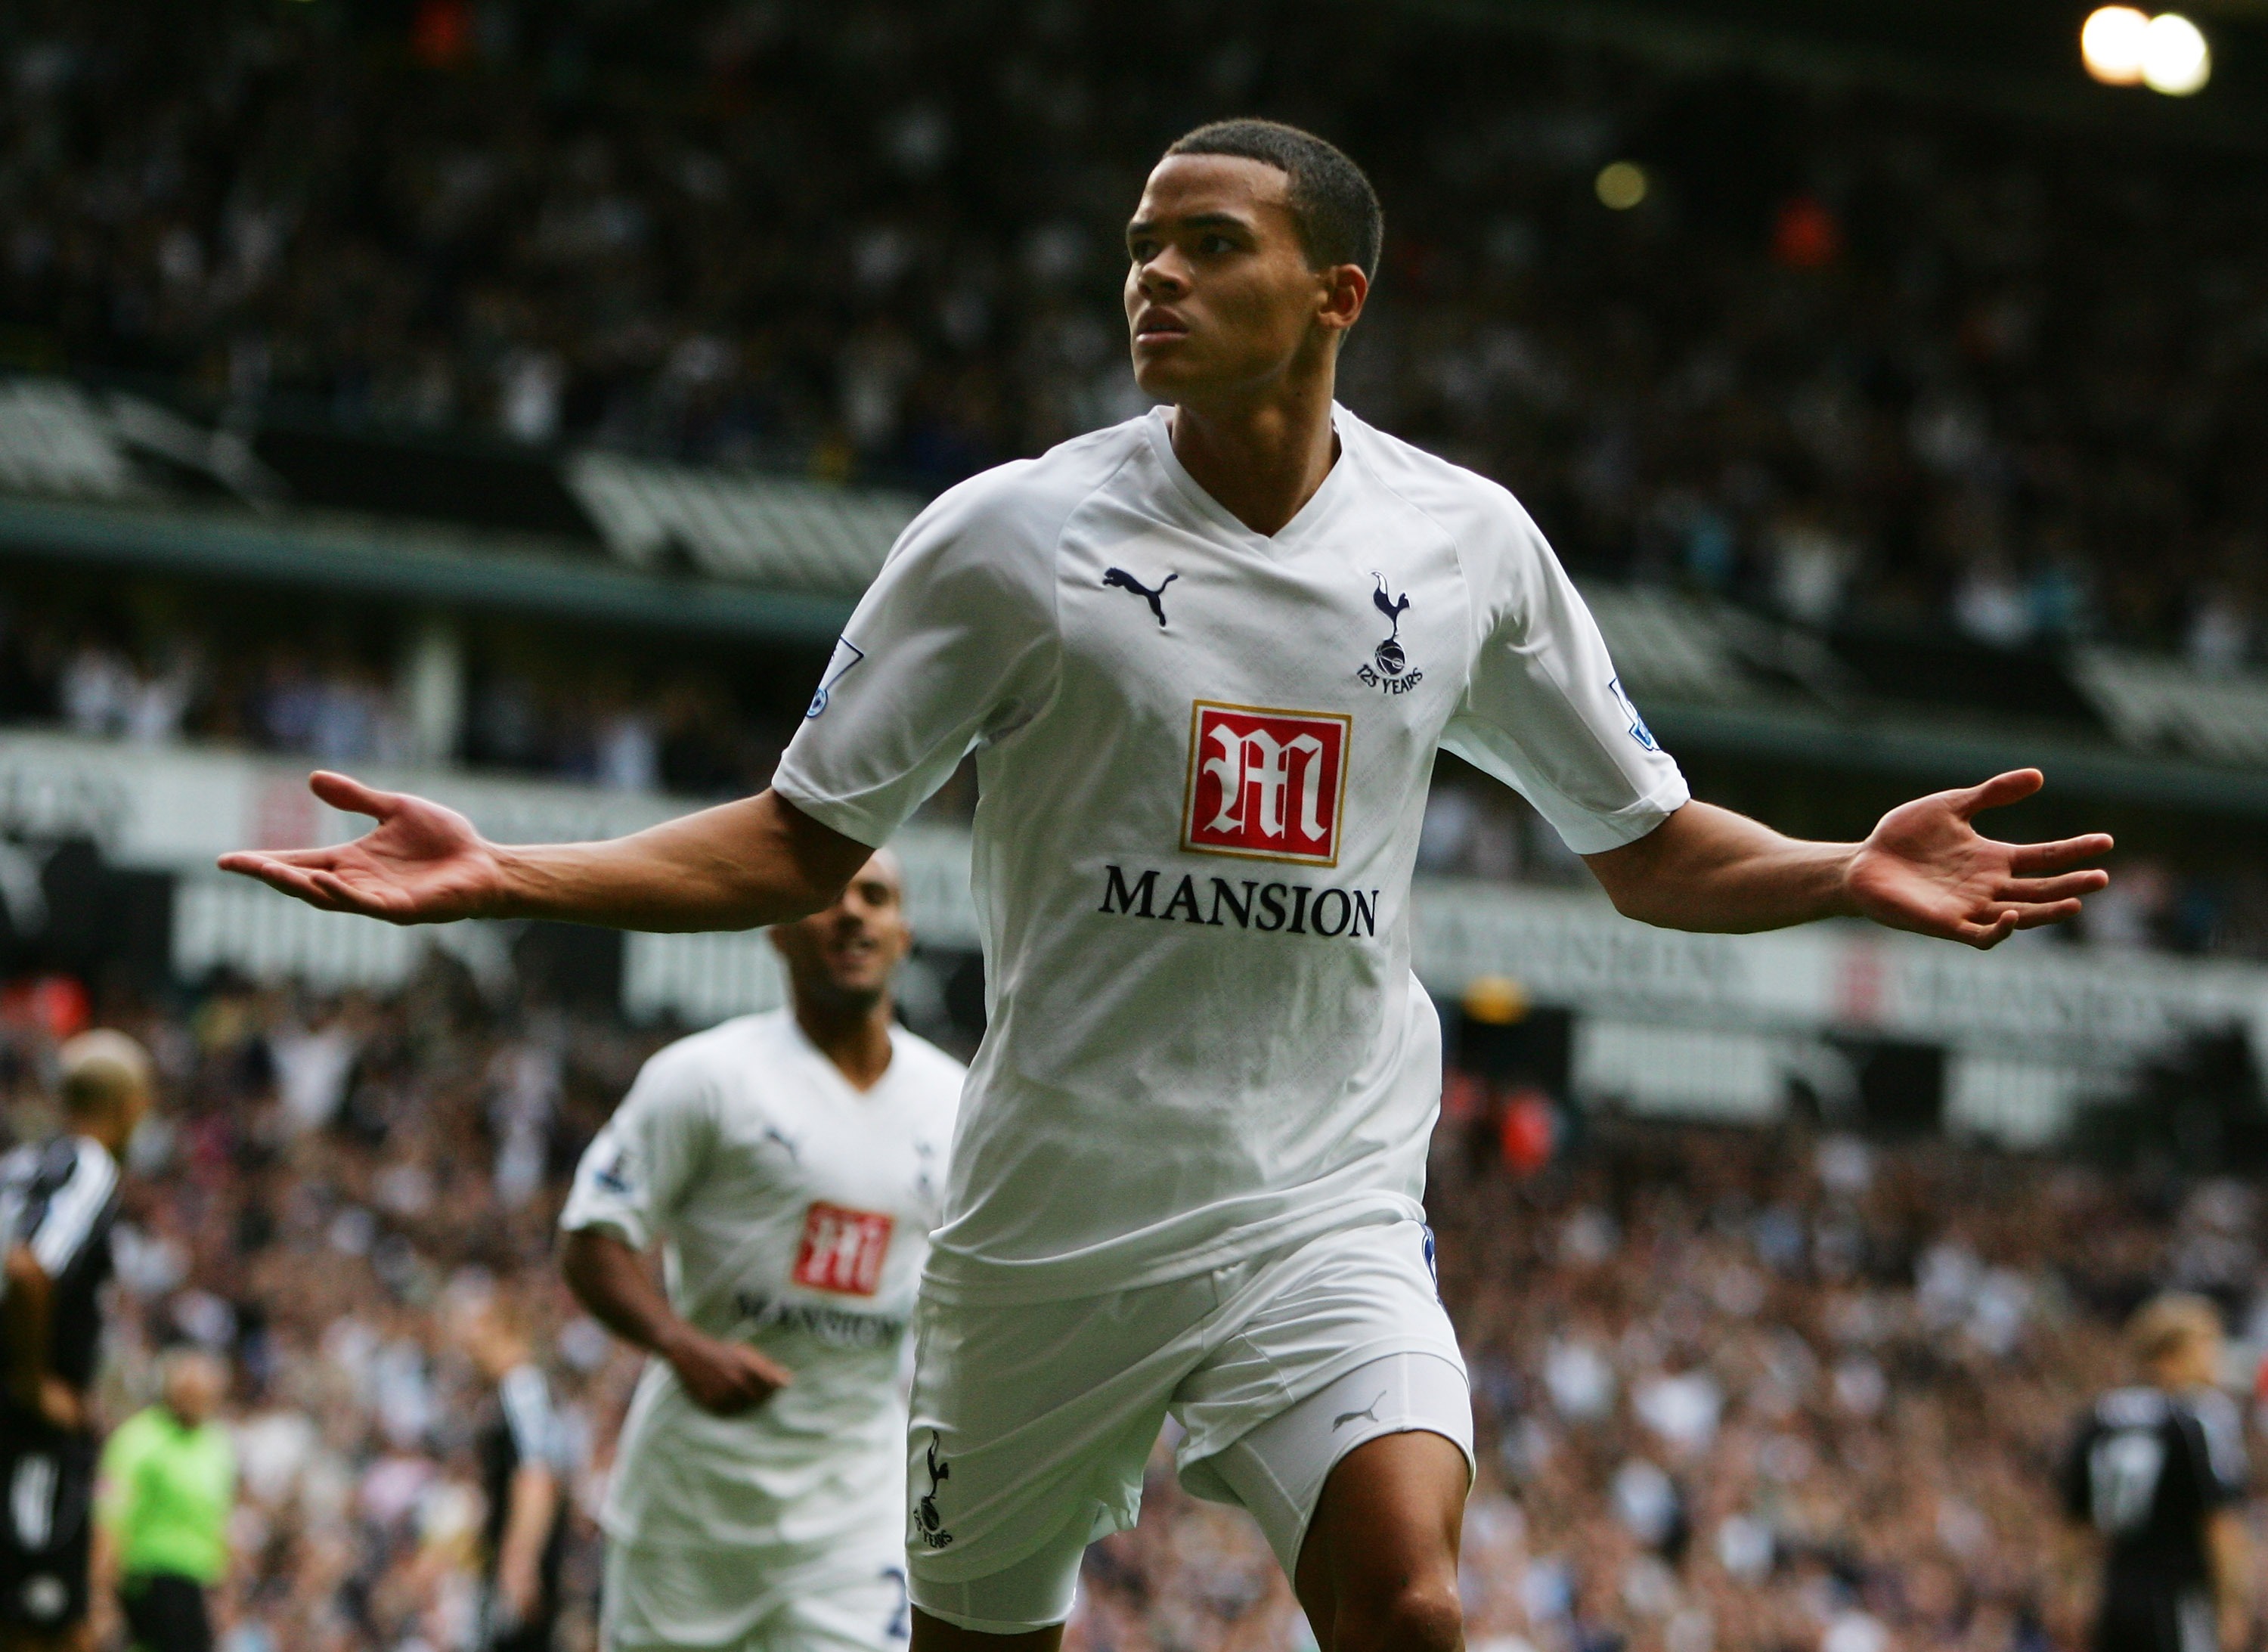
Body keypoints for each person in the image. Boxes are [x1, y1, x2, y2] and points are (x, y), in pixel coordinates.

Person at [218, 119, 2113, 1652]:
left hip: (1322, 1202)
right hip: (1050, 1225)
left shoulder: (1464, 545)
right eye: (1143, 242)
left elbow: (1644, 851)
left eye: (1210, 245)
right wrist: (505, 876)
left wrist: (1839, 869)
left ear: (1334, 296)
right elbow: (799, 837)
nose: (1156, 275)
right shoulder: (1011, 538)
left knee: (1410, 1602)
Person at [557, 851, 962, 1651]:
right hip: (693, 1504)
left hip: (856, 1509)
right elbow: (592, 1235)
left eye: (875, 897)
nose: (852, 913)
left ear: (904, 934)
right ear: (778, 928)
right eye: (827, 893)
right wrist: (680, 1343)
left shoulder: (957, 1102)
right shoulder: (705, 1078)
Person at [0, 1031, 150, 1652]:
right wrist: (34, 1384)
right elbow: (28, 1268)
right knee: (39, 1624)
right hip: (27, 1431)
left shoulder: (20, 1165)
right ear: (131, 1105)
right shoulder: (90, 1167)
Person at [2064, 1294, 2252, 1652]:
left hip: (2114, 1594)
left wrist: (2070, 1591)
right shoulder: (2200, 1419)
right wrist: (2232, 1605)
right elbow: (2219, 1521)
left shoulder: (2100, 1418)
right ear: (2168, 1357)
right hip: (2180, 1595)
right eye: (2206, 1345)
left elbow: (2074, 1523)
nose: (2215, 1358)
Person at [89, 1349, 234, 1652]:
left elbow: (217, 1522)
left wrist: (223, 1590)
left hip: (196, 1583)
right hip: (149, 1577)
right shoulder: (138, 1439)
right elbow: (109, 1517)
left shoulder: (217, 1446)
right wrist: (101, 1595)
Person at [452, 1291, 571, 1652]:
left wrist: (520, 1561)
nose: (468, 1340)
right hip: (507, 1560)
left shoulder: (524, 1388)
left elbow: (537, 1476)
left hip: (520, 1564)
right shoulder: (514, 1390)